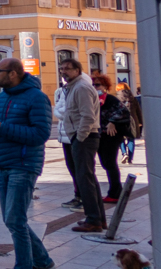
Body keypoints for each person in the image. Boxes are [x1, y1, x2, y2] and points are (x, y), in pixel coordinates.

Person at [0, 58, 55, 269]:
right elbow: (1, 128)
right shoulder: (3, 97)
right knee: (11, 219)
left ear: (13, 73)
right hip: (4, 164)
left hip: (23, 165)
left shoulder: (36, 98)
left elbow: (40, 134)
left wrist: (2, 128)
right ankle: (42, 261)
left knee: (15, 220)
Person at [60, 58, 105, 232]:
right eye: (62, 68)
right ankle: (98, 218)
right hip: (81, 137)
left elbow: (88, 116)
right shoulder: (72, 87)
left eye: (67, 68)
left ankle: (93, 220)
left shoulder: (81, 88)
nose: (63, 71)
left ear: (77, 70)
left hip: (85, 138)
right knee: (88, 178)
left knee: (84, 179)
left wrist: (80, 137)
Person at [95, 74, 129, 203]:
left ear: (105, 86)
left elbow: (124, 112)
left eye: (98, 85)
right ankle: (114, 192)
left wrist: (112, 121)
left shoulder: (110, 99)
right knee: (105, 163)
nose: (95, 87)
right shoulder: (93, 99)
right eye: (93, 85)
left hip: (111, 136)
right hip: (98, 135)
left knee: (109, 163)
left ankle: (115, 193)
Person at [53, 73, 81, 213]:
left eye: (68, 70)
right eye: (62, 71)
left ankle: (85, 199)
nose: (64, 74)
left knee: (81, 169)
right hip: (64, 134)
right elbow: (58, 110)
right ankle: (78, 195)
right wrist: (61, 112)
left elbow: (68, 111)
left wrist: (61, 113)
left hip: (75, 134)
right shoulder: (61, 91)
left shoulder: (79, 88)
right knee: (72, 167)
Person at [122, 88, 142, 164]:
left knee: (121, 139)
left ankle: (124, 153)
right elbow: (138, 111)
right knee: (131, 139)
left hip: (121, 121)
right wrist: (140, 122)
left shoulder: (117, 99)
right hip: (133, 121)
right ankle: (130, 159)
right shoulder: (133, 99)